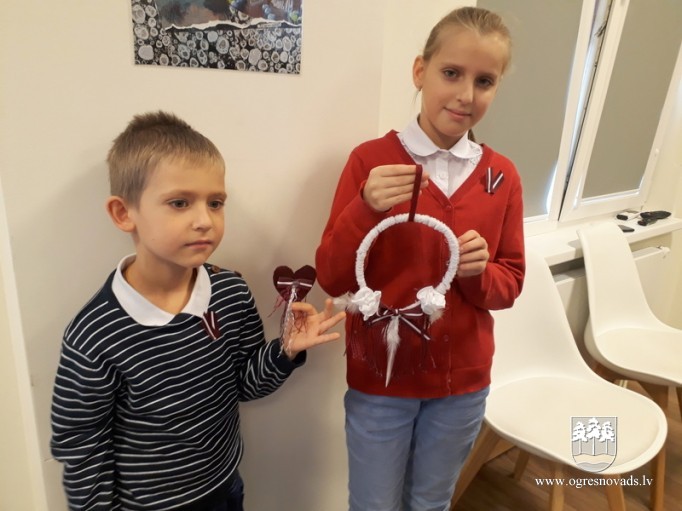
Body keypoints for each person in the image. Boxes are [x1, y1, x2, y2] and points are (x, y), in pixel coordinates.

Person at [50, 111, 345, 511]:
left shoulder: (230, 291)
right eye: (179, 203)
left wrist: (285, 350)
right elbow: (81, 446)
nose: (205, 221)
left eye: (216, 203)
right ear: (124, 213)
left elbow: (244, 384)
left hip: (225, 486)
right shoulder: (95, 334)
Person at [315, 7, 525, 511]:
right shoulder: (370, 162)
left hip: (462, 386)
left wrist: (479, 273)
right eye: (451, 73)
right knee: (374, 504)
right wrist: (365, 207)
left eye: (484, 81)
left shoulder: (502, 177)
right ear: (419, 71)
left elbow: (510, 283)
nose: (466, 94)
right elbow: (332, 276)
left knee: (431, 502)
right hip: (382, 382)